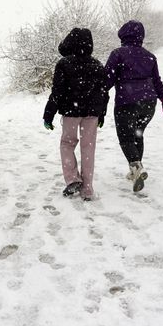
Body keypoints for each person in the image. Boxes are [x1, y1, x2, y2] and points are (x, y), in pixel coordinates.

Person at [104, 20, 163, 192]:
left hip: (127, 102)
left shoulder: (118, 54)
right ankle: (135, 170)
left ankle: (136, 167)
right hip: (148, 103)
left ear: (123, 36)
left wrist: (96, 91)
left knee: (126, 137)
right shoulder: (150, 56)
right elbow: (157, 81)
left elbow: (107, 80)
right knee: (137, 134)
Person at [43, 28, 109, 201]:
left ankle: (72, 179)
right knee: (88, 148)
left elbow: (57, 92)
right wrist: (101, 113)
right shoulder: (97, 65)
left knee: (67, 143)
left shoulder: (64, 64)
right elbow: (104, 92)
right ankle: (87, 189)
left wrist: (48, 115)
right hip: (92, 114)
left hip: (71, 112)